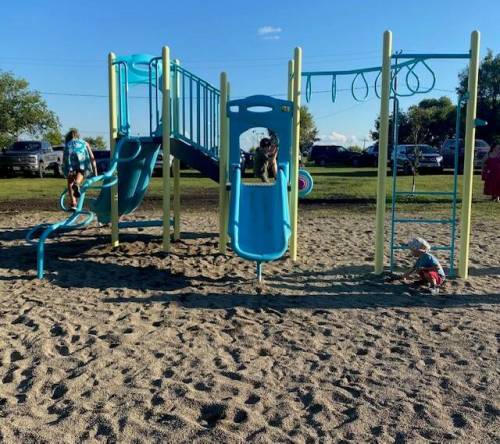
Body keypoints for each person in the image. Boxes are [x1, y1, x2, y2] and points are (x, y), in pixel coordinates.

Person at [62, 129, 97, 210]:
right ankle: (77, 183)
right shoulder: (84, 143)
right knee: (81, 170)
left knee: (70, 179)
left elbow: (64, 158)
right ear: (78, 136)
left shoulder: (68, 144)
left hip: (69, 155)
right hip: (81, 157)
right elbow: (92, 158)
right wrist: (95, 172)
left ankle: (73, 204)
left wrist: (66, 170)